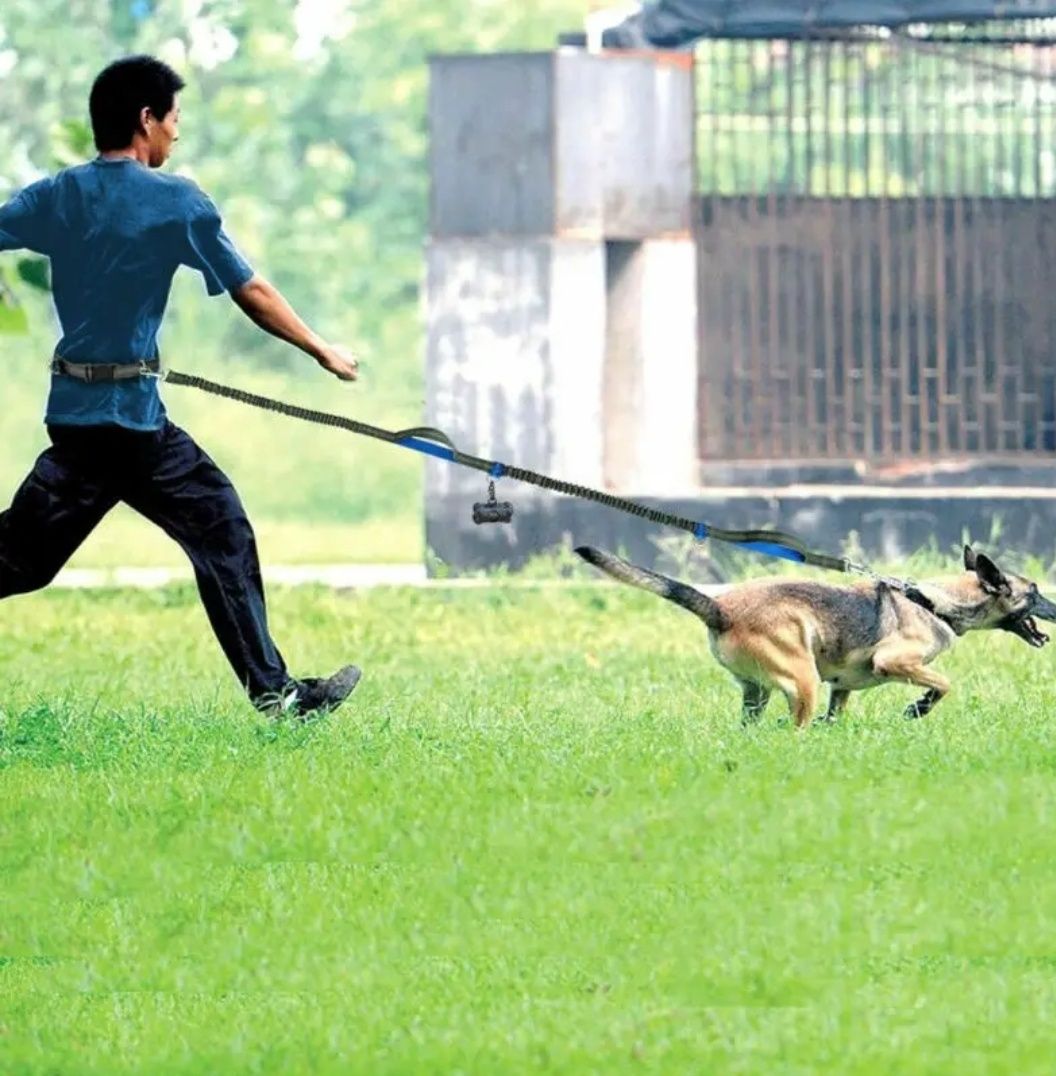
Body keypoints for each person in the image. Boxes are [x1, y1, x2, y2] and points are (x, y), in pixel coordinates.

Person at [0, 54, 362, 720]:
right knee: (220, 529)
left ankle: (277, 693)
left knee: (23, 561)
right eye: (173, 121)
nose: (177, 135)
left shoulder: (54, 196)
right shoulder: (176, 202)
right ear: (146, 120)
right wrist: (321, 350)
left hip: (83, 417)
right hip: (129, 427)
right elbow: (249, 289)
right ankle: (278, 696)